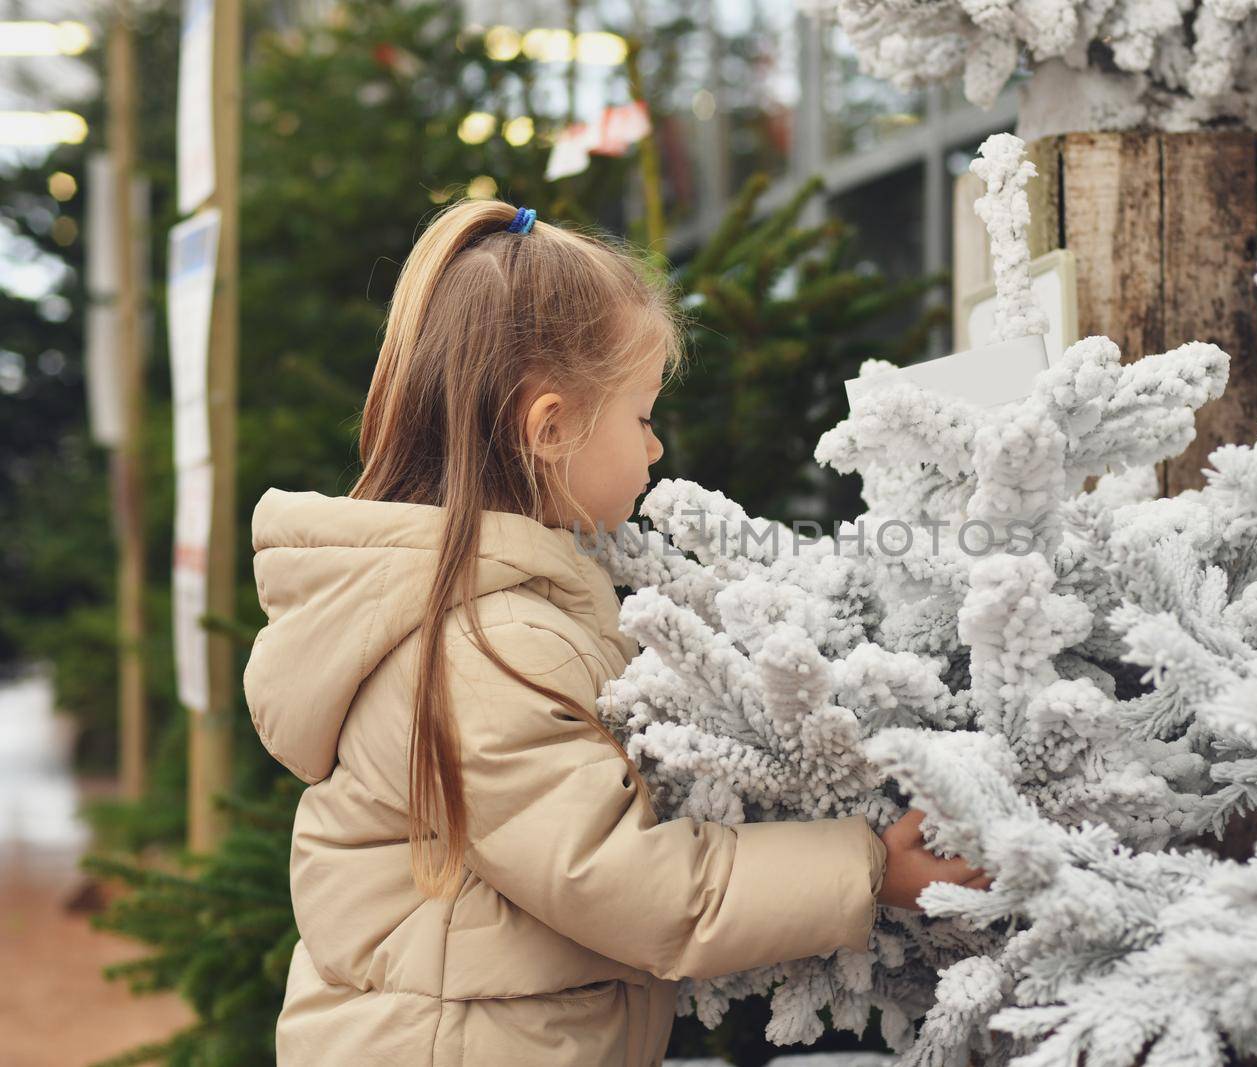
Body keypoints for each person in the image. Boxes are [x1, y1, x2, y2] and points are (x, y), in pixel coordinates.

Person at [242, 200, 990, 1066]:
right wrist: (866, 871)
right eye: (640, 415)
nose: (658, 445)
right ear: (550, 428)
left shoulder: (504, 604)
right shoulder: (477, 647)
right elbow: (624, 881)